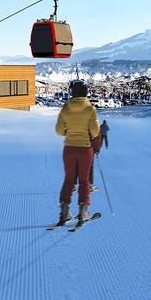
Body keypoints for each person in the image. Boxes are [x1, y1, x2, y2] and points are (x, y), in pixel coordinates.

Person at [55, 81, 101, 226]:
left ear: (72, 93)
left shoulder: (66, 108)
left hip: (69, 148)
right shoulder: (90, 109)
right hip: (85, 148)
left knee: (68, 180)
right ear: (86, 93)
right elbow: (95, 131)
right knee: (84, 180)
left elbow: (59, 130)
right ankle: (83, 212)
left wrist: (69, 132)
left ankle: (64, 212)